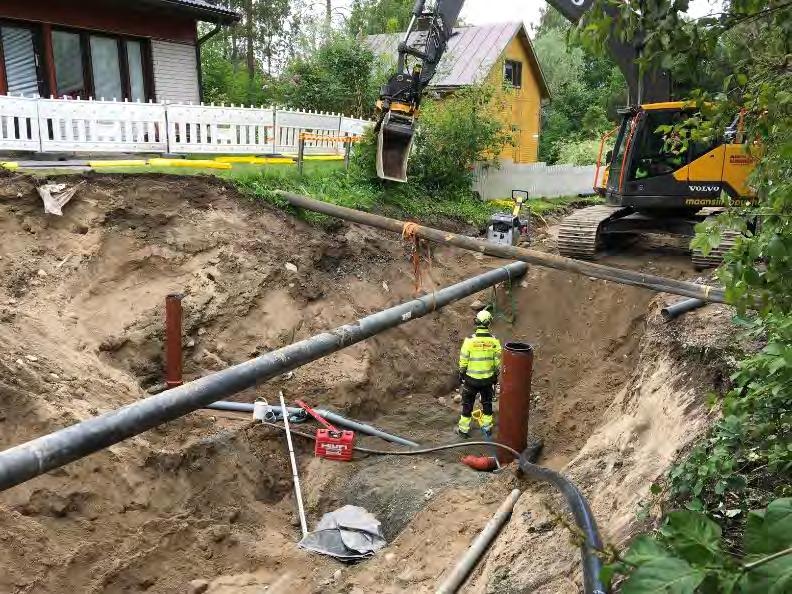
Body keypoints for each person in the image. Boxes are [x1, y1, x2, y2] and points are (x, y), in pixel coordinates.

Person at [457, 309, 502, 437]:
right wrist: (494, 376)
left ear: (476, 322)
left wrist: (461, 373)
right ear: (489, 323)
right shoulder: (494, 341)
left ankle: (463, 430)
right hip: (487, 380)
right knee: (487, 403)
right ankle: (486, 428)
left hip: (471, 380)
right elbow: (497, 363)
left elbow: (464, 360)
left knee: (467, 404)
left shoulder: (469, 341)